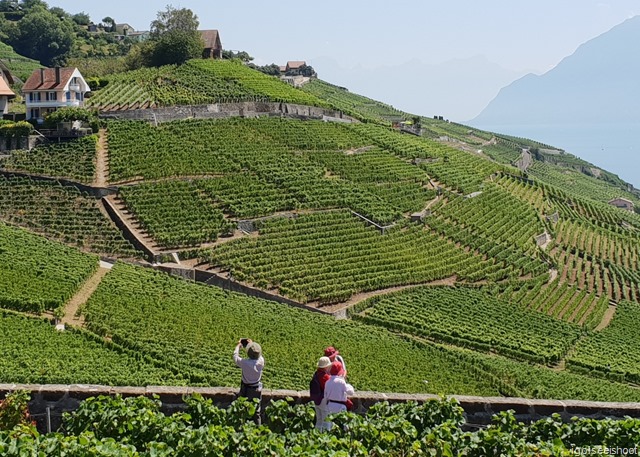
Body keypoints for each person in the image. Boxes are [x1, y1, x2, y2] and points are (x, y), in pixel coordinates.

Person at [233, 338, 264, 424]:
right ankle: (258, 429)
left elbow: (235, 357)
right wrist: (252, 344)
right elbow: (258, 355)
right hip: (256, 388)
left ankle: (241, 426)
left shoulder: (245, 363)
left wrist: (238, 346)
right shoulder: (261, 361)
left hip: (245, 388)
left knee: (242, 408)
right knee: (257, 411)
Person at [322, 360, 354, 430]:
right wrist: (348, 384)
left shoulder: (327, 382)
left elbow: (325, 396)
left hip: (330, 405)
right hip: (340, 406)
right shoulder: (341, 381)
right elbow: (351, 392)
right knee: (344, 425)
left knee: (328, 425)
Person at [310, 356, 332, 430]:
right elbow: (329, 387)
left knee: (319, 419)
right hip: (323, 400)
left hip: (317, 400)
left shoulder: (316, 374)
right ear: (326, 367)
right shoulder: (325, 377)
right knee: (326, 420)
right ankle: (325, 435)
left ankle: (316, 434)